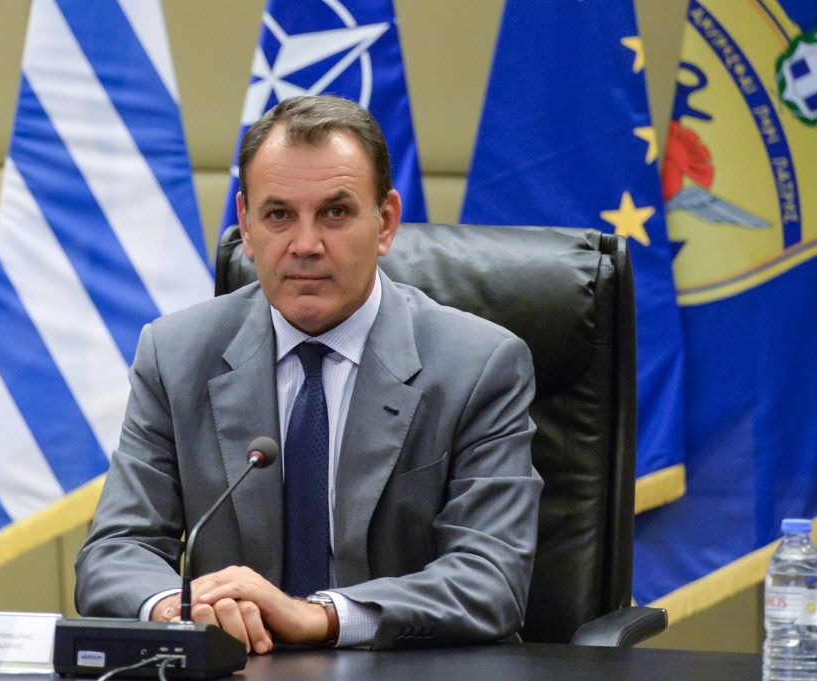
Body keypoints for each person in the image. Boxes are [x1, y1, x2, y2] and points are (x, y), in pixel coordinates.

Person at [75, 95, 542, 653]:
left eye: (335, 213)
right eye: (278, 215)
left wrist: (320, 617)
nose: (305, 245)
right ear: (246, 225)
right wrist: (180, 608)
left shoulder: (479, 365)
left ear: (385, 222)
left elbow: (489, 577)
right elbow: (115, 551)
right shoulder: (175, 355)